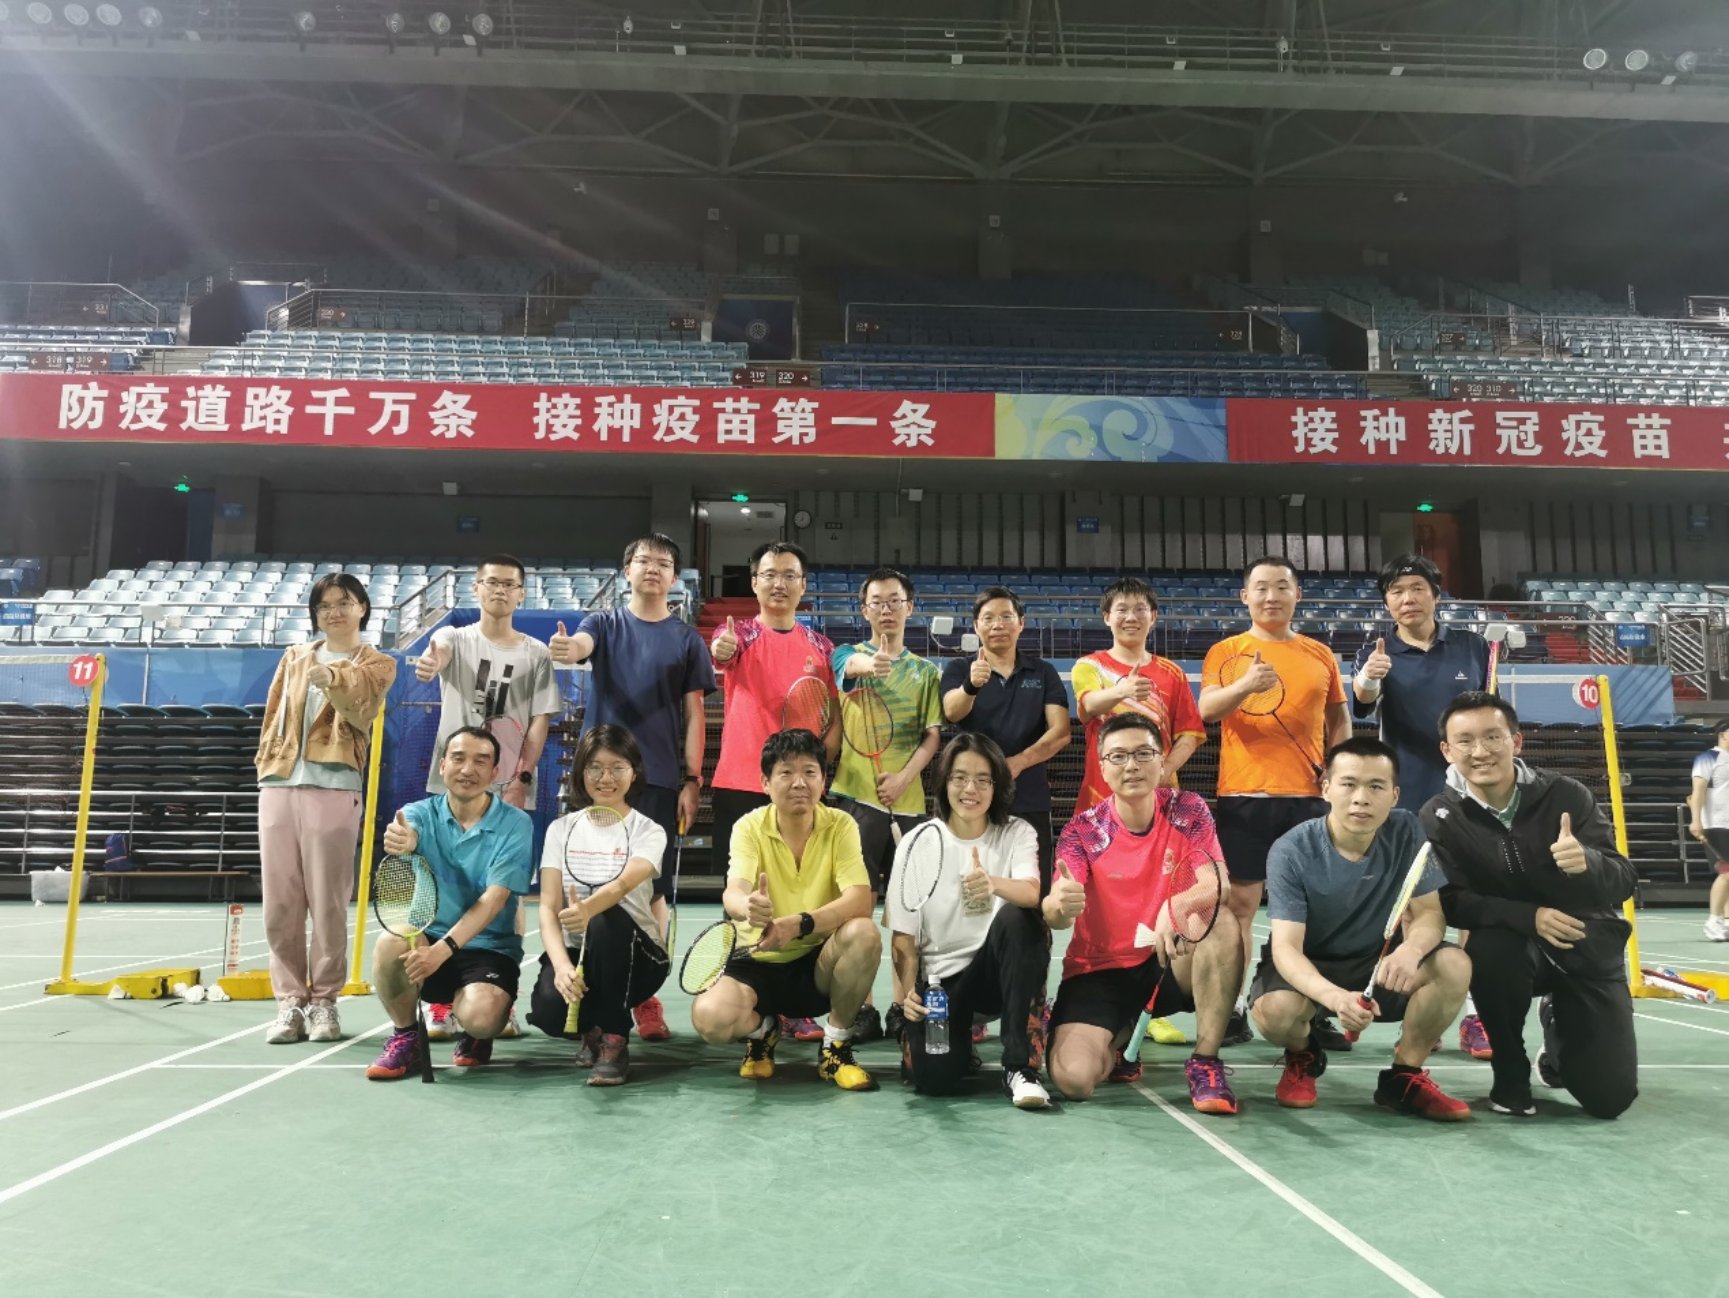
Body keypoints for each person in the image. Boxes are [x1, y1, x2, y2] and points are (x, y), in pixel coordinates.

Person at [1422, 692, 1638, 1119]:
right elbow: (1453, 902)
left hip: (1585, 942)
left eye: (1493, 737)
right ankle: (1510, 1070)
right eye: (1465, 741)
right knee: (1487, 949)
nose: (1480, 751)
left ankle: (1558, 1036)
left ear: (1516, 742)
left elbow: (1624, 879)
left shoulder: (1567, 795)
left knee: (1609, 1099)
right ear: (1447, 750)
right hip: (1510, 944)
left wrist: (1588, 863)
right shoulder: (1439, 815)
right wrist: (1528, 917)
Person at [1249, 737, 1472, 1120]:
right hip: (1310, 966)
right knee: (1275, 1012)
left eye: (1376, 787)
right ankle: (1304, 1053)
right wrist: (1335, 998)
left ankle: (1404, 1076)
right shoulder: (1292, 850)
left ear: (1394, 795)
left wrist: (1411, 949)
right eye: (1349, 784)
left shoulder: (1406, 831)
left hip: (1378, 963)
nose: (1361, 799)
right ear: (1326, 788)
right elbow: (1286, 948)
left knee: (1454, 964)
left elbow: (1429, 914)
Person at [550, 532, 715, 1041]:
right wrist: (569, 648)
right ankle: (586, 985)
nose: (653, 568)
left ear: (675, 577)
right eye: (644, 560)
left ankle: (645, 995)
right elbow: (582, 646)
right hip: (598, 779)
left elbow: (695, 714)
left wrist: (692, 779)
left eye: (664, 563)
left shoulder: (687, 639)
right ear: (627, 571)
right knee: (589, 885)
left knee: (652, 889)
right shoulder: (602, 624)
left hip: (659, 778)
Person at [1044, 714, 1245, 1115]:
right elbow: (1055, 912)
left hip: (1167, 960)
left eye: (1142, 754)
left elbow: (1218, 881)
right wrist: (1059, 905)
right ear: (1102, 767)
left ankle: (1205, 1060)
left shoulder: (1188, 810)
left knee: (1220, 923)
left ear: (1161, 758)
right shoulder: (1083, 832)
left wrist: (1176, 906)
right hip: (1099, 972)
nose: (1131, 765)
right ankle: (1118, 1041)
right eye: (1118, 756)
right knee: (1074, 1080)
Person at [1201, 556, 1351, 1048]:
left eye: (1281, 587)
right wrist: (1245, 685)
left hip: (1308, 798)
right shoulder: (1226, 651)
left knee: (1315, 909)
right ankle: (1232, 1009)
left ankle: (1314, 1006)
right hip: (1245, 796)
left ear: (1297, 594)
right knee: (1240, 906)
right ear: (1245, 596)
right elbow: (1206, 710)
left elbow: (1339, 719)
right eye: (1261, 587)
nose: (1271, 596)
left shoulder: (1320, 654)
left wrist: (1339, 769)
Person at [1351, 553, 1493, 1059]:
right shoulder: (1376, 651)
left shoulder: (1473, 646)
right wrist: (1369, 677)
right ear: (1386, 602)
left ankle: (1475, 1014)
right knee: (1417, 911)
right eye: (1396, 591)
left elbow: (1490, 712)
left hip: (1472, 799)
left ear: (1435, 594)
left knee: (1474, 908)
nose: (1407, 598)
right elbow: (1361, 703)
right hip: (1410, 799)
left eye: (1416, 588)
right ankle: (1423, 1015)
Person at [414, 554, 561, 1043]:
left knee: (506, 893)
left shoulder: (536, 653)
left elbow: (539, 719)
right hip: (455, 779)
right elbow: (437, 649)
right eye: (491, 582)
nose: (500, 590)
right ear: (475, 588)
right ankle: (440, 999)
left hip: (510, 783)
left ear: (522, 593)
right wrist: (431, 661)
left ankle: (500, 991)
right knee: (443, 882)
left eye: (509, 584)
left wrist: (522, 775)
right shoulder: (455, 639)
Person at [689, 729, 883, 1092]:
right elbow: (733, 892)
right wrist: (747, 906)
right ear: (765, 782)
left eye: (810, 772)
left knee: (864, 932)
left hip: (817, 962)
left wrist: (799, 924)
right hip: (756, 958)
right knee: (710, 1018)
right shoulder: (749, 827)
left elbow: (859, 899)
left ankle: (836, 1047)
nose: (799, 783)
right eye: (786, 772)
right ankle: (763, 1031)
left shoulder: (841, 825)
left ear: (823, 781)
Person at [255, 572, 397, 1046]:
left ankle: (324, 1001)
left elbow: (362, 710)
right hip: (278, 783)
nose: (334, 612)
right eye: (324, 606)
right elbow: (274, 712)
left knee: (328, 902)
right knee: (280, 903)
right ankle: (289, 1001)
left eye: (344, 602)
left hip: (335, 785)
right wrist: (266, 761)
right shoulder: (295, 656)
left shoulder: (377, 663)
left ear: (362, 608)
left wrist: (333, 678)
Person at [1070, 574, 1207, 1049]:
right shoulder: (1090, 666)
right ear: (1106, 618)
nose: (1130, 617)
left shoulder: (1171, 673)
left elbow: (1191, 732)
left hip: (1159, 810)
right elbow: (1088, 707)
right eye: (1121, 609)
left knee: (1158, 904)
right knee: (1102, 911)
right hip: (1101, 807)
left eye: (1139, 609)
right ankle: (1097, 996)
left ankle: (1152, 1005)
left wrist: (1163, 769)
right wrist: (1124, 690)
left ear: (1154, 617)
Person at [889, 734, 1050, 1109]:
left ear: (997, 785)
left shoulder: (1017, 832)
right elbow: (903, 938)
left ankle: (1019, 1067)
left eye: (982, 779)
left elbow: (1031, 892)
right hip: (941, 984)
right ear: (944, 782)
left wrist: (993, 883)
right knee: (934, 1080)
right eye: (959, 778)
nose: (970, 789)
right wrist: (908, 996)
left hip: (995, 973)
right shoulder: (917, 843)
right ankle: (949, 1046)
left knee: (1021, 918)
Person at [365, 727, 535, 1080]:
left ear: (494, 772)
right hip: (427, 938)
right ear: (442, 766)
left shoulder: (515, 824)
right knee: (390, 942)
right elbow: (407, 832)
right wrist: (404, 840)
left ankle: (475, 1029)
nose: (467, 769)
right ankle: (406, 1036)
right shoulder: (418, 814)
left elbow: (495, 899)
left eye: (480, 761)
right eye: (458, 758)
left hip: (489, 947)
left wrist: (441, 952)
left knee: (482, 1018)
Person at [829, 565, 943, 1041]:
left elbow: (932, 736)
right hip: (855, 799)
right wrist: (869, 664)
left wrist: (902, 780)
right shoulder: (846, 654)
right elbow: (848, 669)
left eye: (895, 601)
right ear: (864, 610)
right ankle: (860, 1007)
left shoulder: (926, 672)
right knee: (856, 908)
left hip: (908, 802)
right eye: (877, 602)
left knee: (907, 911)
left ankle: (902, 1004)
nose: (887, 609)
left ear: (909, 607)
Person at [526, 725, 669, 1086]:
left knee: (605, 918)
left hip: (639, 958)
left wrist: (588, 909)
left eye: (617, 768)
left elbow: (622, 885)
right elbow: (547, 906)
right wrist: (561, 966)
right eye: (595, 768)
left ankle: (615, 1038)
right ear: (581, 773)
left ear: (633, 772)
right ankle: (591, 1029)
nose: (606, 778)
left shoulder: (649, 831)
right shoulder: (560, 830)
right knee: (549, 1012)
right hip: (580, 954)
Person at [709, 539, 840, 880]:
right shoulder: (740, 635)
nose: (779, 584)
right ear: (754, 583)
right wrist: (722, 648)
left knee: (801, 885)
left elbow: (835, 720)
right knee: (739, 889)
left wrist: (815, 768)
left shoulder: (822, 647)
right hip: (741, 783)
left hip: (800, 787)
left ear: (803, 585)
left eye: (789, 576)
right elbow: (724, 647)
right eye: (769, 575)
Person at [939, 585, 1070, 888]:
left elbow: (1061, 732)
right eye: (988, 618)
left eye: (1006, 617)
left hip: (1029, 797)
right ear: (976, 626)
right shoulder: (959, 669)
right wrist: (971, 685)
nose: (997, 625)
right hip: (970, 797)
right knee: (969, 884)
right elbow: (951, 711)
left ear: (1020, 623)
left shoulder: (1043, 672)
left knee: (1033, 886)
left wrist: (1018, 762)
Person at [1687, 719, 1729, 941]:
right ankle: (1714, 921)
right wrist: (1696, 820)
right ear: (1723, 734)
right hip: (1716, 824)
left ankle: (1726, 921)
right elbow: (1698, 790)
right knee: (1727, 872)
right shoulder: (1708, 758)